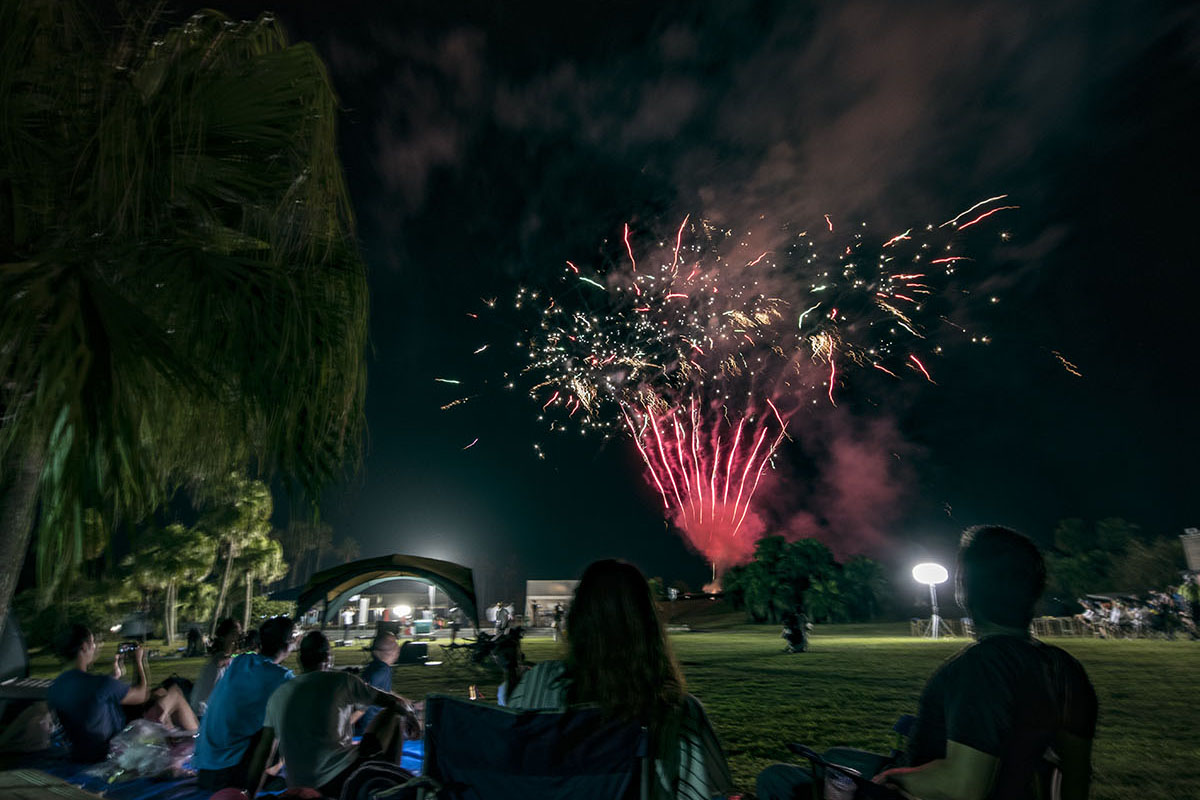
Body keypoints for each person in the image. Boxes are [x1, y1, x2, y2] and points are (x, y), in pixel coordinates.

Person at [758, 525, 1098, 800]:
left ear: (964, 589)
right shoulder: (1065, 667)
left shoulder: (982, 666)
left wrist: (895, 777)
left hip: (921, 788)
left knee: (777, 779)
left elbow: (963, 786)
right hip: (1006, 782)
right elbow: (1075, 775)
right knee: (835, 755)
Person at [504, 559, 732, 800]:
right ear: (649, 624)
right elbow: (706, 791)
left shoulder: (536, 683)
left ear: (577, 619)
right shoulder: (678, 712)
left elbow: (507, 768)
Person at [250, 631, 419, 797]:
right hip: (341, 777)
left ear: (300, 659)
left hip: (298, 783)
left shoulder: (279, 694)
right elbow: (395, 703)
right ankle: (388, 781)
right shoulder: (342, 681)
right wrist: (411, 716)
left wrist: (249, 792)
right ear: (328, 658)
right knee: (394, 715)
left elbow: (264, 751)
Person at [47, 624, 198, 762]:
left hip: (81, 752)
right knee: (175, 693)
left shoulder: (56, 687)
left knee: (159, 693)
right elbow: (142, 694)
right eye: (93, 643)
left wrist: (115, 677)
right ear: (84, 646)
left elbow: (91, 698)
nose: (95, 647)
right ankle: (197, 746)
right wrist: (139, 662)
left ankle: (173, 739)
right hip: (115, 751)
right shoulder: (100, 683)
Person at [193, 616, 296, 792]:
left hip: (204, 770)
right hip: (228, 776)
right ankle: (260, 780)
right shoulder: (282, 678)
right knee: (283, 725)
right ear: (289, 643)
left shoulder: (241, 662)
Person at [191, 618, 242, 718]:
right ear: (224, 636)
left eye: (239, 633)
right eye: (234, 633)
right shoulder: (218, 661)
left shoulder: (231, 659)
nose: (238, 637)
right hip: (205, 713)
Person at [354, 633, 401, 736]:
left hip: (374, 726)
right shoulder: (381, 671)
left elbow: (383, 691)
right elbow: (363, 703)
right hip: (370, 730)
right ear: (392, 652)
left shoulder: (377, 667)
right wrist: (345, 726)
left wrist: (405, 701)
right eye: (395, 645)